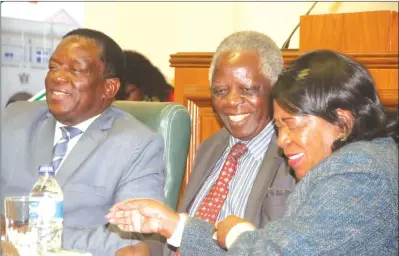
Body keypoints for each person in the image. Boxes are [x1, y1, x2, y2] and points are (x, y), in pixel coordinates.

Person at [106, 50, 398, 255]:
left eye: (292, 125)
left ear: (343, 122)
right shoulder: (350, 163)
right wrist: (170, 224)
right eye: (278, 127)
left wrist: (236, 234)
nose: (281, 141)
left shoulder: (362, 169)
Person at [1, 28, 165, 256]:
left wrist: (23, 233)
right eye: (53, 67)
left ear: (109, 88)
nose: (57, 77)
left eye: (75, 70)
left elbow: (133, 240)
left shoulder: (137, 145)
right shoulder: (15, 120)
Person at [178, 30, 296, 237]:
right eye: (221, 91)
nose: (231, 101)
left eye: (247, 89)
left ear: (275, 90)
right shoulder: (211, 146)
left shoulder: (294, 153)